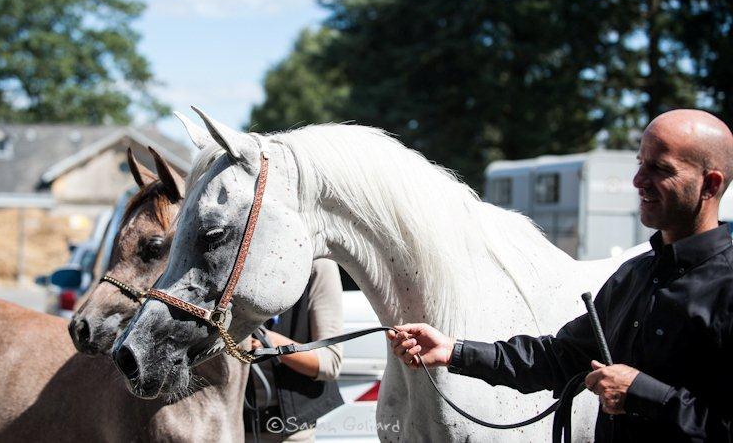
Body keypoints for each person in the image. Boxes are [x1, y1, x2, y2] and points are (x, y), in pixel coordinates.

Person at [389, 109, 733, 441]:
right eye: (640, 164)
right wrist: (453, 350)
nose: (638, 181)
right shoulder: (633, 276)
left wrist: (641, 393)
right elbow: (558, 357)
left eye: (659, 168)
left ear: (710, 184)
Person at [245, 258, 345, 442]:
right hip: (229, 427)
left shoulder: (318, 264)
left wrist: (268, 342)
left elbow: (330, 363)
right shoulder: (232, 258)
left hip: (291, 432)